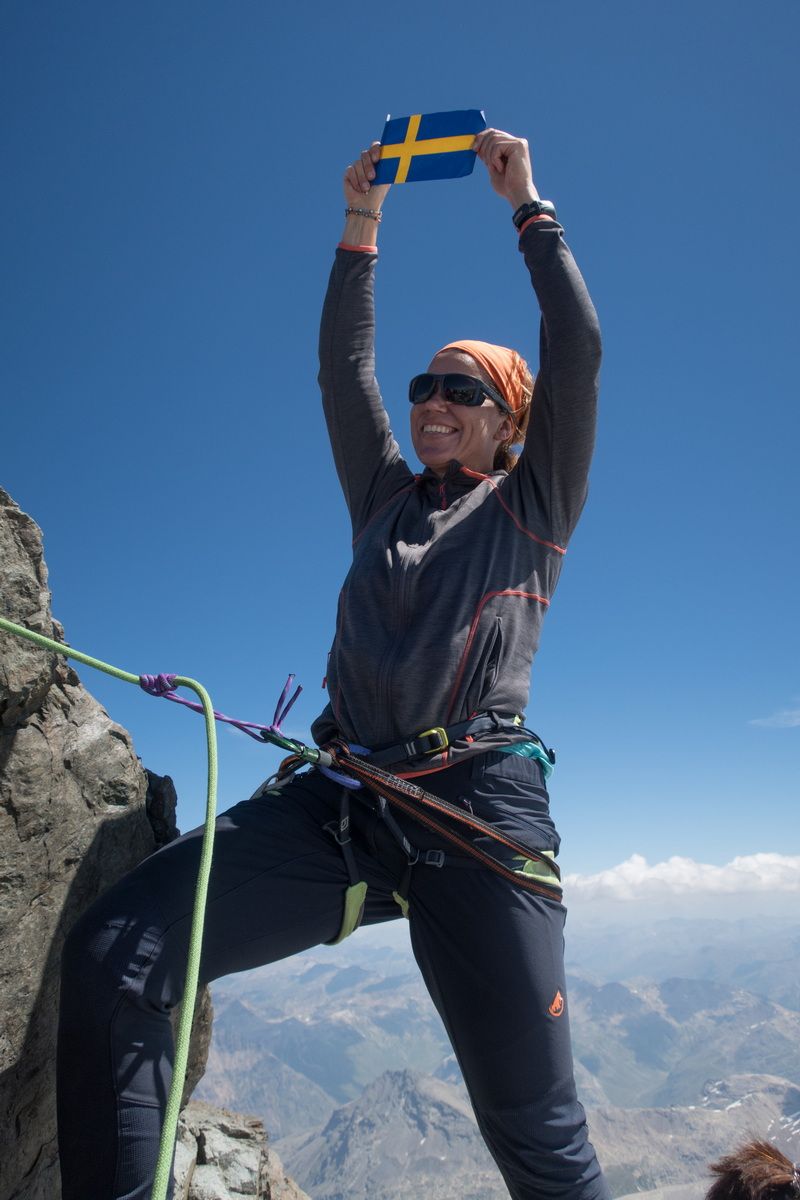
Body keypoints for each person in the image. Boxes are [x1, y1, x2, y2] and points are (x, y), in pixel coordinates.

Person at [57, 128, 608, 1200]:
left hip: (476, 815)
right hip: (344, 801)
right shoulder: (381, 501)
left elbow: (576, 354)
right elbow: (338, 369)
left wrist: (525, 207)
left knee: (536, 1137)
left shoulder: (532, 505)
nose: (432, 398)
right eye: (424, 384)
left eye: (463, 388)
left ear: (508, 427)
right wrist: (361, 223)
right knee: (116, 952)